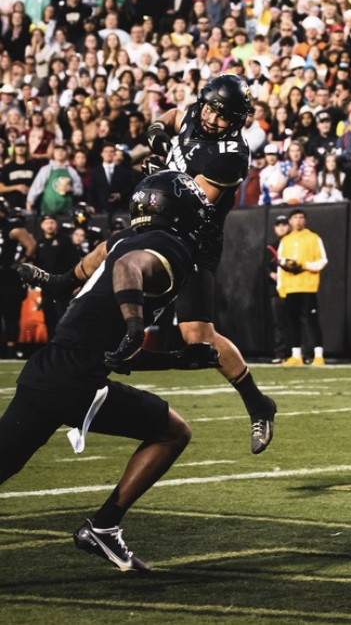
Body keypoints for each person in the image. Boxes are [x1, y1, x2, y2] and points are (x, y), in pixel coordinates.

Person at [26, 75, 277, 453]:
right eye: (208, 107)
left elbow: (192, 201)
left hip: (192, 238)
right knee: (113, 246)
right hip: (161, 220)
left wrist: (160, 176)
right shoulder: (199, 112)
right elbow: (173, 117)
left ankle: (258, 403)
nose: (210, 117)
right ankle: (64, 282)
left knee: (198, 335)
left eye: (221, 114)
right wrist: (157, 132)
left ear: (238, 119)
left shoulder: (230, 155)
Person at [1, 171, 221, 572]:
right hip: (75, 382)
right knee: (173, 432)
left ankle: (102, 530)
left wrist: (176, 358)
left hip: (47, 371)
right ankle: (103, 526)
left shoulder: (119, 238)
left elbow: (111, 349)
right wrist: (136, 326)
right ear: (178, 210)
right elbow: (128, 271)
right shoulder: (168, 246)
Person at [276, 209, 328, 366]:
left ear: (305, 220)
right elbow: (280, 264)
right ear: (290, 221)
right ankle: (295, 355)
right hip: (291, 287)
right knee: (292, 322)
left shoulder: (313, 238)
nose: (298, 220)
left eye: (301, 217)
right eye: (295, 217)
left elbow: (322, 261)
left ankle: (318, 355)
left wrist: (304, 265)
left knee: (311, 320)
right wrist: (281, 286)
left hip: (308, 286)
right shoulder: (285, 241)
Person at [0, 198, 35, 358]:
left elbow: (30, 244)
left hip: (7, 274)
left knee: (10, 313)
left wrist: (22, 262)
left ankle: (11, 349)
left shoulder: (10, 227)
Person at [265, 215, 292, 364]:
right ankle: (280, 353)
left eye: (284, 224)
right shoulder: (271, 247)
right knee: (279, 322)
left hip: (293, 287)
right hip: (276, 290)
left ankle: (299, 353)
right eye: (279, 225)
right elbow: (266, 267)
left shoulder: (295, 244)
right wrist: (271, 274)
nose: (282, 227)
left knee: (296, 321)